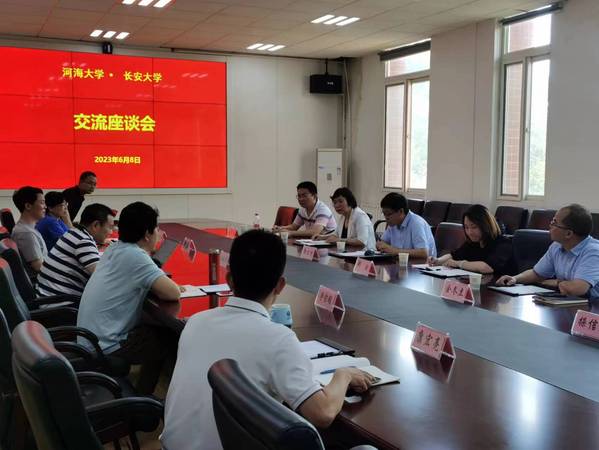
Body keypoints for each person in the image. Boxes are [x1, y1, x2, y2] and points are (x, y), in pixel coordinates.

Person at [161, 230, 375, 450]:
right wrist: (344, 374)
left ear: (229, 279)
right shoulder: (278, 339)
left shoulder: (196, 322)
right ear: (280, 285)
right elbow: (323, 413)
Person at [77, 201, 181, 394]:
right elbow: (172, 293)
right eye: (157, 229)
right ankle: (145, 399)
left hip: (90, 340)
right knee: (169, 339)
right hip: (106, 346)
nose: (158, 233)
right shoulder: (135, 256)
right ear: (147, 233)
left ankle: (143, 396)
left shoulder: (115, 248)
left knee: (156, 331)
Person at [497, 204, 599, 299]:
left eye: (554, 222)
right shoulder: (557, 246)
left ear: (568, 234)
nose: (550, 225)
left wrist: (557, 282)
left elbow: (578, 289)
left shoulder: (593, 252)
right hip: (570, 302)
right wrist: (515, 279)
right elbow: (537, 273)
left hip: (592, 306)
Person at [37, 204, 114, 298]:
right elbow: (104, 278)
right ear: (95, 225)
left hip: (49, 296)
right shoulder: (83, 241)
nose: (111, 232)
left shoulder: (74, 233)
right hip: (60, 302)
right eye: (110, 227)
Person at [427, 204, 514, 275]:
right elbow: (454, 255)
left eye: (474, 227)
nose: (470, 232)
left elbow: (487, 268)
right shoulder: (473, 242)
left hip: (498, 287)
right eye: (466, 227)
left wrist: (459, 263)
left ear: (486, 225)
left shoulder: (503, 243)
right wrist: (437, 260)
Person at [376, 193, 436, 258]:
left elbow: (423, 253)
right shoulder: (393, 224)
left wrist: (396, 251)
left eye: (389, 214)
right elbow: (383, 242)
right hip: (401, 261)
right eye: (384, 214)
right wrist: (381, 245)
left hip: (422, 263)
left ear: (401, 211)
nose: (386, 218)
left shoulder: (416, 223)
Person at [11, 186, 47, 280]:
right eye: (42, 202)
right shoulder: (26, 233)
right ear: (28, 206)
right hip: (42, 283)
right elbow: (38, 267)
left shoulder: (28, 229)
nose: (45, 206)